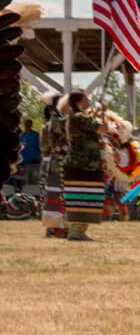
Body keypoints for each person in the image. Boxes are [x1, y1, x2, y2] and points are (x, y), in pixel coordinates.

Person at [62, 91, 106, 241]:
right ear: (79, 102)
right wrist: (103, 113)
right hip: (84, 163)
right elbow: (102, 127)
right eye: (86, 98)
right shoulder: (79, 117)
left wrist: (97, 112)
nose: (89, 100)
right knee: (86, 197)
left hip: (80, 162)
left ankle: (76, 230)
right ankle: (78, 232)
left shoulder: (76, 117)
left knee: (79, 197)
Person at [39, 94, 67, 238]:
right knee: (53, 197)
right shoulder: (48, 126)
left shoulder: (56, 124)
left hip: (56, 163)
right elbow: (46, 147)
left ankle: (59, 227)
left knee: (60, 197)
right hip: (52, 164)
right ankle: (53, 228)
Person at [15, 118, 40, 192]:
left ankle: (32, 196)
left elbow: (40, 147)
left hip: (32, 163)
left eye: (29, 124)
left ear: (31, 125)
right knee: (20, 180)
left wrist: (39, 157)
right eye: (26, 124)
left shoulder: (35, 135)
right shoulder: (21, 135)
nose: (27, 125)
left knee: (31, 182)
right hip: (21, 163)